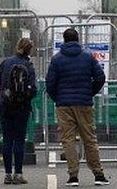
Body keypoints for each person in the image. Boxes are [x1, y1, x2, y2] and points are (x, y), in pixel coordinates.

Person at [46, 27, 109, 186]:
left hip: (64, 105)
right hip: (84, 104)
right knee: (89, 138)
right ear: (77, 39)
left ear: (64, 40)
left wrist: (58, 98)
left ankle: (73, 176)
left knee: (68, 140)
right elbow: (100, 77)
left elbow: (50, 83)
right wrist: (90, 92)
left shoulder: (57, 59)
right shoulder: (88, 57)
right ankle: (98, 174)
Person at [0, 37, 38, 185]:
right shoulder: (29, 66)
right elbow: (34, 90)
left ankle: (7, 174)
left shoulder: (5, 63)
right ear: (29, 50)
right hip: (22, 107)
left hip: (5, 106)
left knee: (7, 140)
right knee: (19, 140)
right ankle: (18, 174)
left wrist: (3, 100)